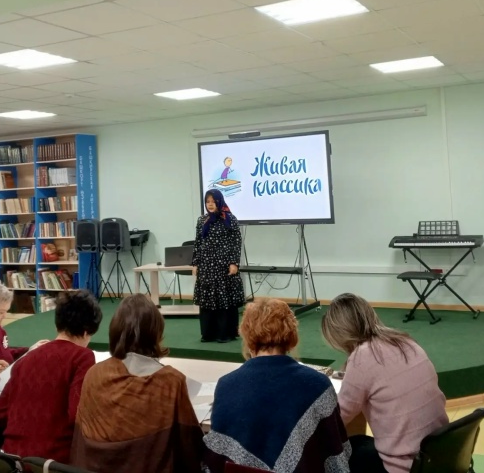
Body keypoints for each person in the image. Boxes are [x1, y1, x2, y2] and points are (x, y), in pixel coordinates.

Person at [204, 298, 351, 472]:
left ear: (247, 337)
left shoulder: (226, 385)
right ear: (292, 337)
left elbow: (217, 458)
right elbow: (337, 455)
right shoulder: (318, 385)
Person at [71, 294, 203, 473]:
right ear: (156, 332)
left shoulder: (93, 374)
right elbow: (189, 446)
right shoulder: (171, 381)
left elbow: (80, 440)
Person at [321, 293, 448, 473]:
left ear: (341, 334)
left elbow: (338, 418)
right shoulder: (405, 341)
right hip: (441, 455)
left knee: (338, 454)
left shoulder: (362, 357)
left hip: (407, 466)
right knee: (358, 443)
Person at [0, 290, 102, 462]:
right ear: (87, 331)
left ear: (57, 324)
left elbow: (0, 414)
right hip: (52, 460)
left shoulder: (26, 360)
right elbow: (78, 415)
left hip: (13, 458)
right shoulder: (82, 357)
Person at [191, 189, 245, 343]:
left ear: (219, 202)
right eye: (207, 202)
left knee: (224, 299)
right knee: (207, 299)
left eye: (213, 202)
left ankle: (225, 334)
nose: (210, 204)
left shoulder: (229, 219)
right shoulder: (202, 220)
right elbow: (198, 242)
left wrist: (234, 262)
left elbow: (236, 242)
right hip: (207, 266)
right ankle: (208, 334)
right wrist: (195, 263)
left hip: (224, 266)